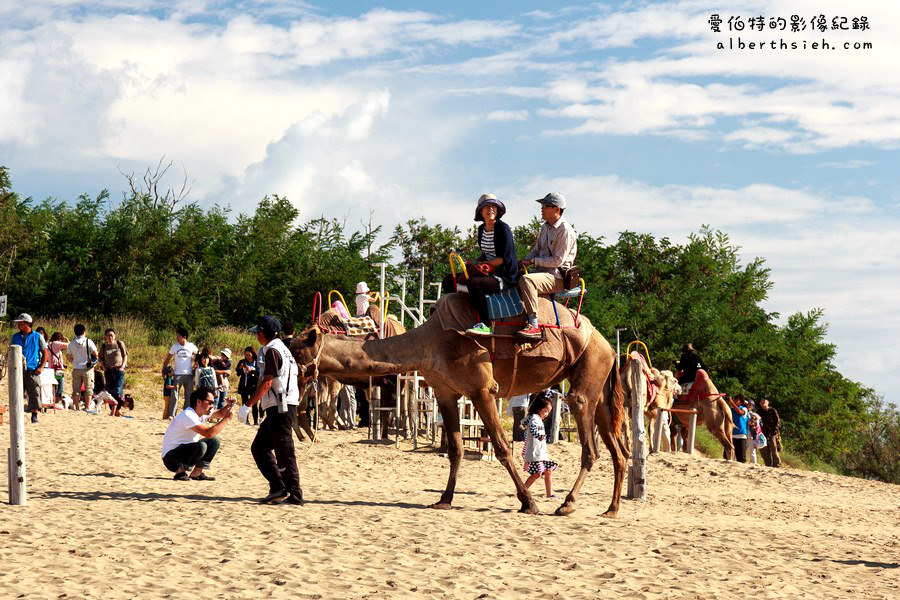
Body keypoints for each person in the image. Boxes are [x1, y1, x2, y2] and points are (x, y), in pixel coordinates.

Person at [239, 316, 304, 505]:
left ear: (263, 333)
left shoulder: (272, 351)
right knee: (260, 447)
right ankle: (278, 488)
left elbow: (267, 383)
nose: (256, 336)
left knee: (284, 450)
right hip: (284, 404)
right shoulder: (283, 349)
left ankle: (294, 494)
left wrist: (248, 405)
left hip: (280, 407)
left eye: (258, 332)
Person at [451, 194, 519, 336]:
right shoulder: (481, 229)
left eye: (493, 206)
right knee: (449, 281)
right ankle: (462, 317)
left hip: (503, 275)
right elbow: (485, 254)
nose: (490, 209)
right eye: (486, 207)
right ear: (481, 212)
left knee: (473, 283)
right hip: (487, 271)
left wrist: (481, 264)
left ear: (497, 210)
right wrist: (473, 262)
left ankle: (486, 324)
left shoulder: (503, 229)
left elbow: (502, 259)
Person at [516, 192, 577, 338]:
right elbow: (536, 250)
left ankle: (534, 325)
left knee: (527, 280)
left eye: (546, 206)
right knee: (513, 276)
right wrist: (522, 261)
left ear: (557, 209)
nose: (542, 208)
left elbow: (558, 261)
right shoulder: (545, 227)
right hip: (542, 273)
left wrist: (532, 262)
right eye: (542, 205)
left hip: (557, 277)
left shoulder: (565, 231)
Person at [161, 387, 232, 481]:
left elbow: (221, 413)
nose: (212, 405)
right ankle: (180, 472)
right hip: (171, 459)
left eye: (213, 402)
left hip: (186, 452)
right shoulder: (188, 415)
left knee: (215, 441)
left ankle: (196, 473)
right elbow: (209, 433)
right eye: (210, 402)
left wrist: (230, 404)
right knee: (202, 445)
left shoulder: (201, 412)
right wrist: (227, 419)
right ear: (199, 402)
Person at [10, 314, 49, 423]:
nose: (18, 325)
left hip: (33, 368)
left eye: (20, 323)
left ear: (27, 323)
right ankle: (17, 413)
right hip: (18, 369)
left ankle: (34, 414)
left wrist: (41, 367)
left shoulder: (37, 336)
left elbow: (45, 352)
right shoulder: (15, 337)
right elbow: (10, 351)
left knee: (34, 392)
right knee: (17, 391)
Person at [521, 394, 559, 498]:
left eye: (549, 412)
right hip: (535, 453)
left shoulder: (537, 418)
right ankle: (522, 490)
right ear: (539, 409)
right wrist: (538, 435)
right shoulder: (534, 418)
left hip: (541, 453)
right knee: (537, 474)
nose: (547, 414)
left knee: (548, 471)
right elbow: (533, 429)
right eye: (546, 411)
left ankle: (549, 494)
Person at [162, 327, 198, 412]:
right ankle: (172, 414)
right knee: (174, 395)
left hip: (189, 374)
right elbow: (168, 358)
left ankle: (186, 413)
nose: (176, 338)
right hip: (177, 374)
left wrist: (196, 365)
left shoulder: (191, 346)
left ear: (184, 337)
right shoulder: (175, 346)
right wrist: (163, 369)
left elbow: (199, 356)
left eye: (178, 336)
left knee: (188, 396)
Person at [66, 323, 98, 411]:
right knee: (88, 388)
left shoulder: (72, 343)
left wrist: (74, 361)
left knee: (76, 389)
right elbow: (96, 354)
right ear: (84, 331)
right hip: (87, 368)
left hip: (76, 368)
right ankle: (87, 407)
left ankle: (77, 407)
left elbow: (68, 356)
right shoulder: (88, 341)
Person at [99, 328, 128, 416]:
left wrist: (122, 366)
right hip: (108, 371)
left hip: (118, 370)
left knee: (118, 390)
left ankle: (117, 409)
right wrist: (103, 367)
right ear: (105, 337)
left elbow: (125, 355)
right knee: (110, 391)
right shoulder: (104, 346)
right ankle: (113, 410)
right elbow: (100, 358)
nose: (110, 337)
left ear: (114, 336)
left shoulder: (119, 344)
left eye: (112, 335)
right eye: (108, 335)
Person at [236, 346, 261, 424]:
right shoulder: (242, 361)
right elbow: (238, 373)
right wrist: (240, 368)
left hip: (254, 386)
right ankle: (246, 420)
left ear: (253, 354)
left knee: (254, 404)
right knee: (245, 403)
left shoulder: (257, 363)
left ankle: (256, 421)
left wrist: (251, 371)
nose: (247, 357)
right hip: (244, 385)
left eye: (249, 355)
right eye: (246, 355)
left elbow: (259, 373)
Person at [757, 398, 782, 468]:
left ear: (768, 402)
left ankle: (777, 464)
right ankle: (768, 464)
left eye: (764, 401)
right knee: (764, 451)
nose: (762, 402)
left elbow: (777, 422)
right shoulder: (759, 412)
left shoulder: (772, 411)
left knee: (774, 449)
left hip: (772, 433)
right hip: (762, 433)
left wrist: (774, 431)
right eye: (761, 401)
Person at [47, 332, 69, 403]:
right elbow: (69, 345)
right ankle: (56, 401)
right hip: (58, 369)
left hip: (50, 368)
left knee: (54, 386)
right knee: (60, 386)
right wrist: (66, 339)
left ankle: (52, 400)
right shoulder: (57, 343)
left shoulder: (49, 344)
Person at [726, 394, 749, 463]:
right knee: (727, 455)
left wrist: (731, 402)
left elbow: (739, 412)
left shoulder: (744, 408)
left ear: (741, 402)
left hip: (741, 435)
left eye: (737, 400)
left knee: (741, 457)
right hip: (731, 435)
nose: (735, 401)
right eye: (734, 399)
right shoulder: (731, 409)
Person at [746, 399, 763, 465]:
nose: (749, 406)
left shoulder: (755, 414)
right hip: (744, 433)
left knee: (752, 450)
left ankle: (753, 463)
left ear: (753, 407)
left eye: (751, 405)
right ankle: (739, 461)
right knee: (742, 449)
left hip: (752, 434)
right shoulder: (743, 412)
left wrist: (755, 419)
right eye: (748, 404)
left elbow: (761, 424)